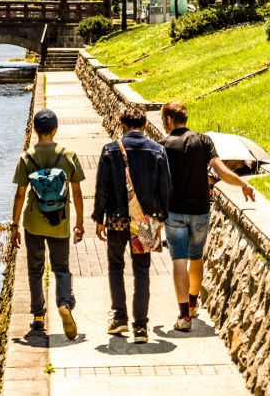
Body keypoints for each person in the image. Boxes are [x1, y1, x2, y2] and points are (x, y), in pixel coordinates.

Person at [159, 102, 255, 332]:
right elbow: (220, 171)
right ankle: (193, 302)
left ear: (170, 120)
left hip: (174, 211)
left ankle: (184, 316)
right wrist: (243, 183)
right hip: (200, 210)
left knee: (179, 261)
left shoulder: (162, 145)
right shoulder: (203, 141)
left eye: (164, 120)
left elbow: (157, 179)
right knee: (196, 257)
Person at [93, 105, 171, 344]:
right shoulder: (157, 150)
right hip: (145, 221)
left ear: (122, 125)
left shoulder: (110, 150)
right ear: (145, 125)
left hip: (116, 218)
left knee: (116, 266)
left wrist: (99, 218)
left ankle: (119, 318)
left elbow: (102, 188)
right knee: (141, 270)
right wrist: (161, 218)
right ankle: (141, 327)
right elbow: (165, 188)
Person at [11, 108, 86, 340]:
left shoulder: (27, 157)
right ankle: (64, 303)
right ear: (56, 129)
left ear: (35, 130)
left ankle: (38, 316)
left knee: (35, 268)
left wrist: (14, 225)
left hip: (33, 221)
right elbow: (77, 191)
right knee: (61, 268)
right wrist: (80, 222)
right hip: (60, 221)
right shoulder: (69, 155)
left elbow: (20, 195)